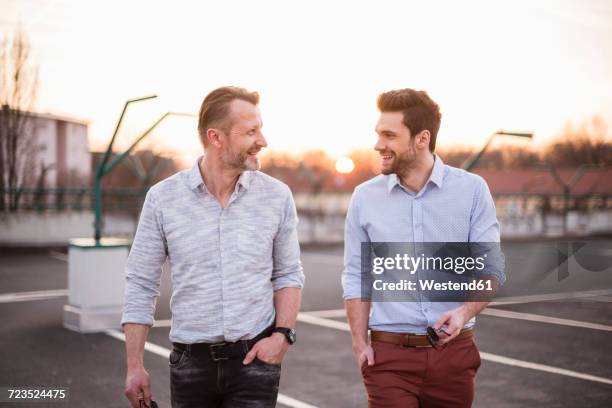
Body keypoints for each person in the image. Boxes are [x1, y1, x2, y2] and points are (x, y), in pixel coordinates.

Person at [121, 86, 304, 408]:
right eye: (251, 131)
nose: (262, 140)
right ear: (216, 137)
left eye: (260, 129)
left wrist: (282, 335)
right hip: (191, 365)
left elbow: (288, 272)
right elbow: (141, 282)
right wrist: (134, 366)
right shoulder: (163, 199)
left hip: (255, 362)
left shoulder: (277, 197)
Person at [342, 88, 505, 407]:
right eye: (378, 134)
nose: (378, 145)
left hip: (454, 355)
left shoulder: (472, 191)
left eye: (389, 135)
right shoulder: (365, 197)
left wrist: (463, 312)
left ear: (421, 138)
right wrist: (360, 344)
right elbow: (356, 275)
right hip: (389, 358)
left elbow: (491, 269)